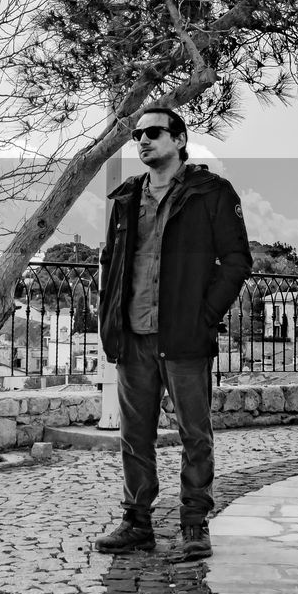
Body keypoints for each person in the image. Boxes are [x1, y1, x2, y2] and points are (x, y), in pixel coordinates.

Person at [94, 107, 252, 560]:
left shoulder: (212, 193)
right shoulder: (125, 198)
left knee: (194, 434)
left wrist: (204, 315)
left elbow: (237, 261)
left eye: (153, 132)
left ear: (180, 139)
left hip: (184, 336)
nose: (142, 140)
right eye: (137, 134)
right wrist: (110, 320)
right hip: (134, 335)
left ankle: (194, 524)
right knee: (134, 435)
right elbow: (113, 263)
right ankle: (136, 523)